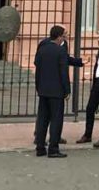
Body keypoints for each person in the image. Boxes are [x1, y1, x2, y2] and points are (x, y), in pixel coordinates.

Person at [34, 25, 71, 158]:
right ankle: (53, 149)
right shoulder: (60, 51)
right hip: (56, 91)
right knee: (56, 120)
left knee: (42, 119)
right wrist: (67, 90)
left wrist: (38, 86)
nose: (64, 39)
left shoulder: (42, 49)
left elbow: (37, 67)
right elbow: (63, 72)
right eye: (64, 36)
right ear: (59, 37)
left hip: (43, 89)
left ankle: (40, 147)